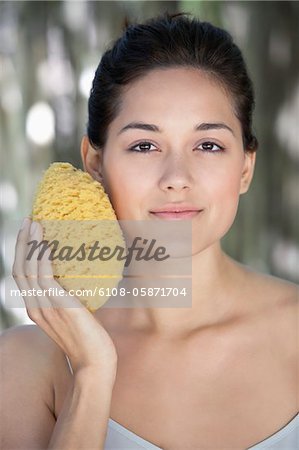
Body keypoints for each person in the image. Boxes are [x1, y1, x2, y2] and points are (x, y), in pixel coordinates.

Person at [1, 12, 298, 450]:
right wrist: (91, 373)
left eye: (208, 145)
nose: (176, 177)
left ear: (245, 168)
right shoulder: (24, 365)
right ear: (95, 164)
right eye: (144, 145)